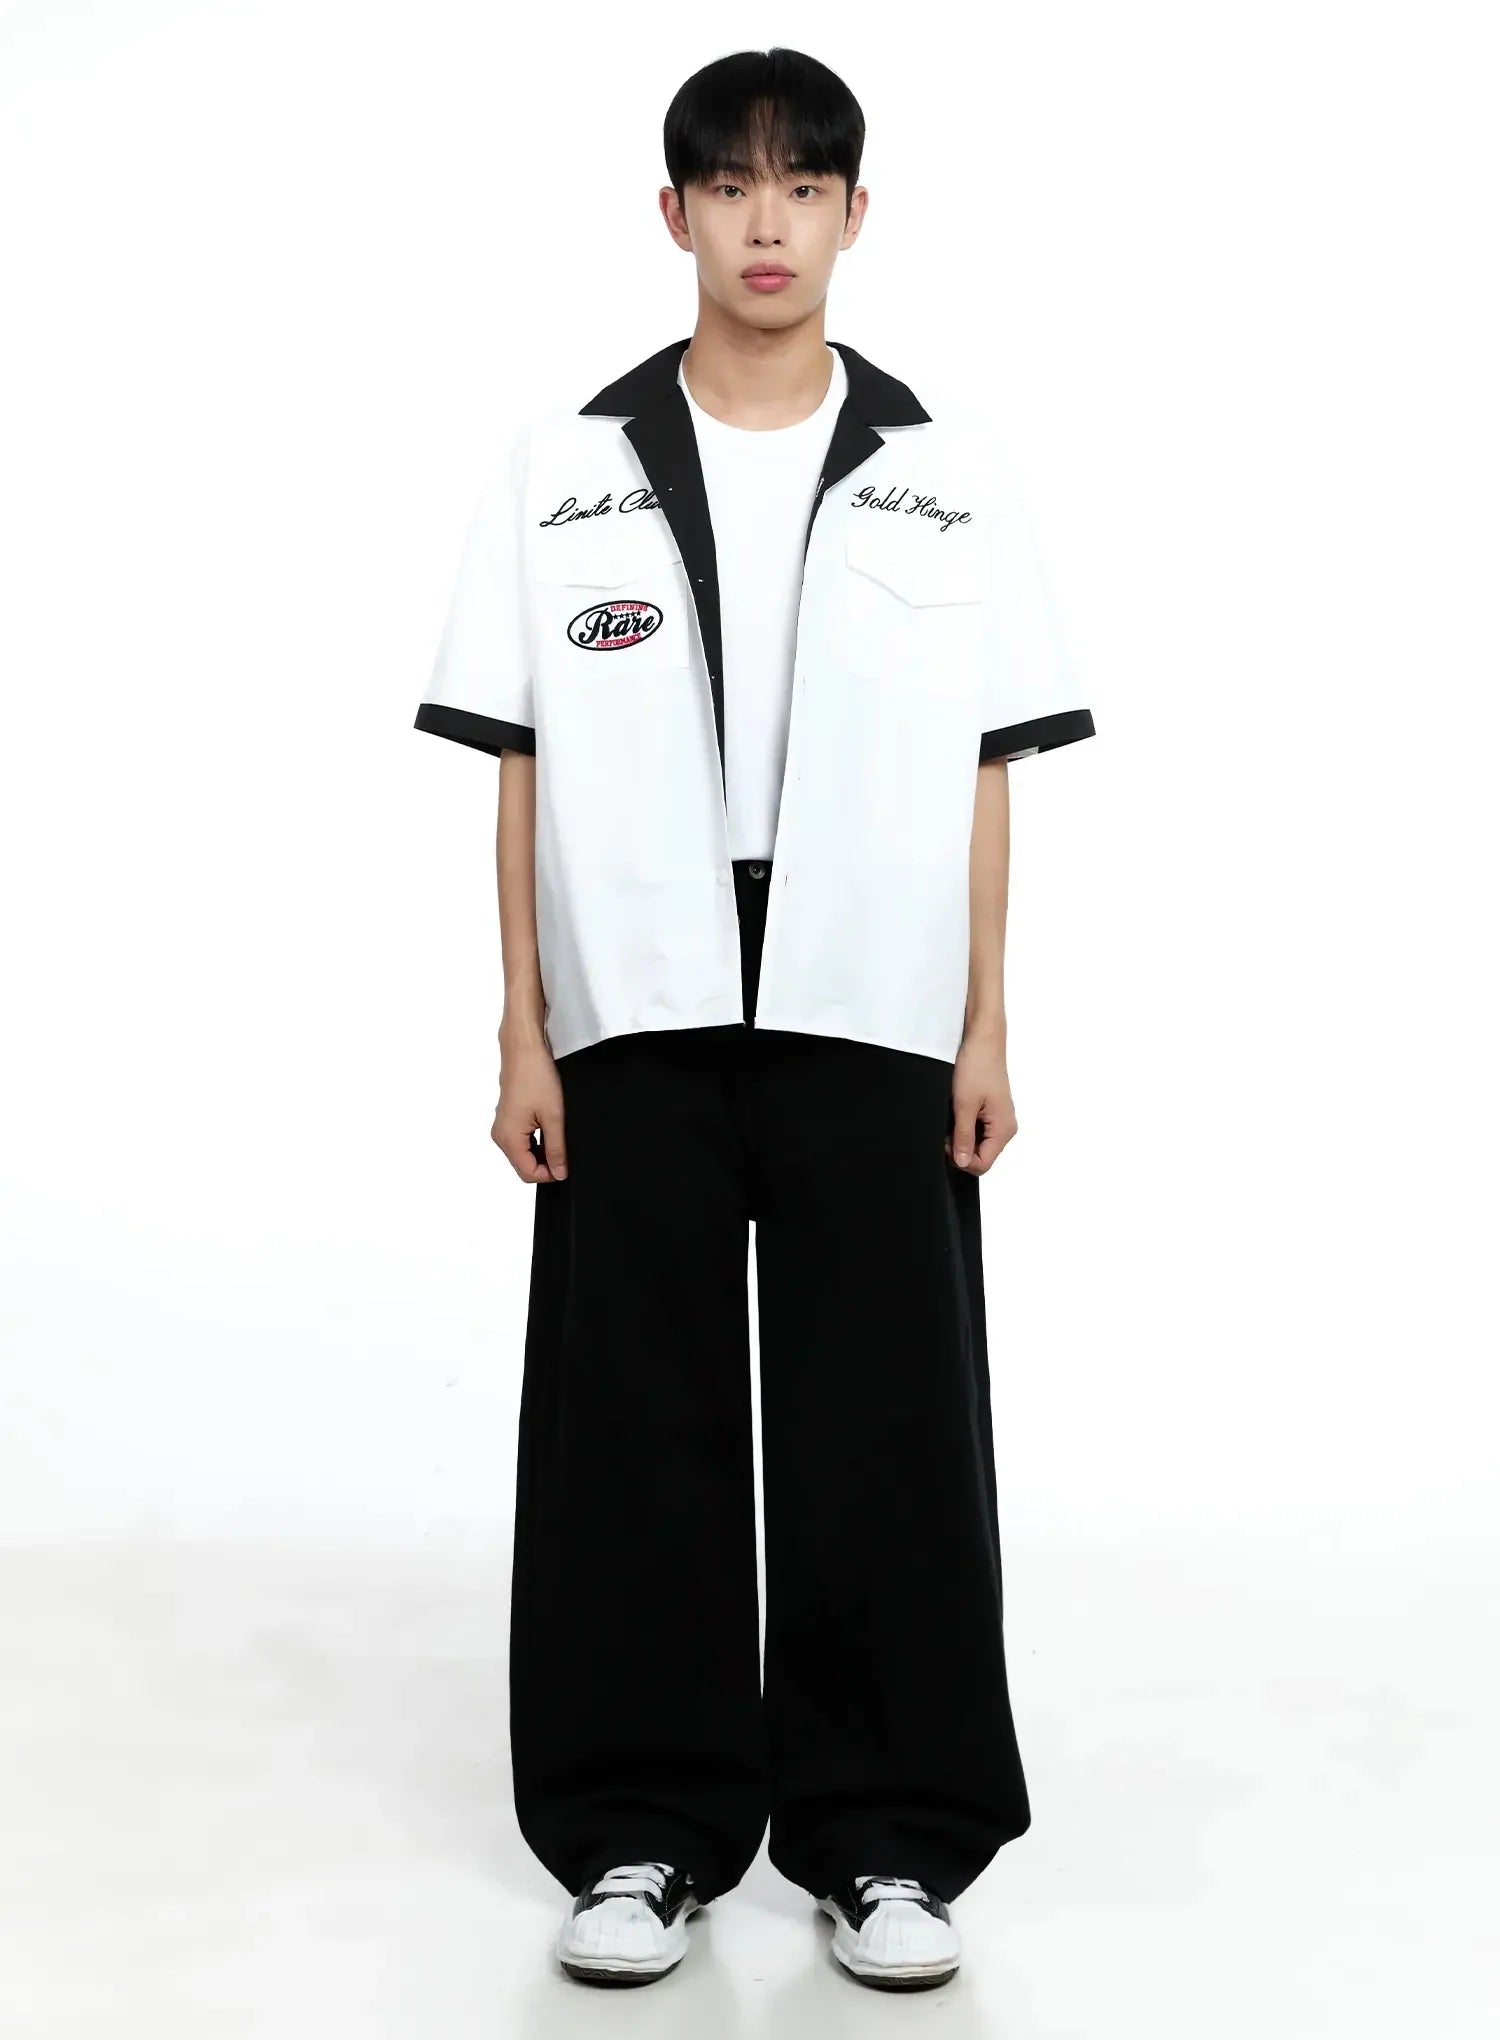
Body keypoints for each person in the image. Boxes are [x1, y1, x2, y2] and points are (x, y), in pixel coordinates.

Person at [414, 46, 1095, 1993]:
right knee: (633, 1413)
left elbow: (986, 768)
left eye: (803, 186)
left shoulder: (946, 475)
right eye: (730, 185)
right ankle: (640, 1827)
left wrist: (985, 1022)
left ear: (857, 216)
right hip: (634, 987)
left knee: (888, 1411)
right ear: (675, 214)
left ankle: (889, 1842)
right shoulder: (566, 469)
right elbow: (521, 766)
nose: (767, 221)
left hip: (871, 993)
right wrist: (522, 1028)